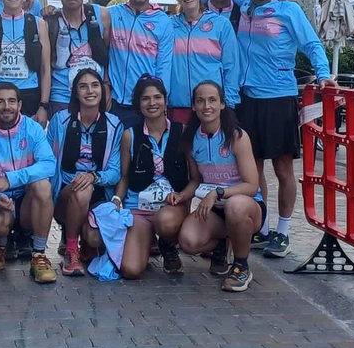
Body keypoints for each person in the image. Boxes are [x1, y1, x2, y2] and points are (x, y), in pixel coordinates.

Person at [236, 0, 333, 259]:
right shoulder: (243, 6)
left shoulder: (288, 9)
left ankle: (284, 230)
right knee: (253, 167)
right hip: (247, 98)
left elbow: (312, 44)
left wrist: (324, 74)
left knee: (282, 168)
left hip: (279, 98)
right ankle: (262, 228)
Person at [175, 81, 262, 292]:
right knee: (187, 242)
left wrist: (219, 192)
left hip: (246, 206)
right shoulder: (190, 139)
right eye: (200, 101)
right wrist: (181, 196)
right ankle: (223, 242)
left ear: (222, 104)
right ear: (193, 106)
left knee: (235, 207)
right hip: (215, 209)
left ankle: (241, 266)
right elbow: (196, 180)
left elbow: (251, 185)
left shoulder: (237, 136)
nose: (207, 106)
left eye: (213, 100)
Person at [0, 82, 58, 283]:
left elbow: (48, 164)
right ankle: (0, 245)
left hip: (27, 205)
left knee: (43, 185)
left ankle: (39, 256)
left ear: (19, 105)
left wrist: (10, 179)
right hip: (1, 206)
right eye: (0, 102)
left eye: (11, 101)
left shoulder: (33, 129)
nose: (6, 106)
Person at [47, 69, 123, 277]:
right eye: (83, 86)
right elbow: (49, 163)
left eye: (95, 85)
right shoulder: (60, 121)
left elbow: (115, 172)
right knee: (82, 190)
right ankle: (71, 249)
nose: (90, 91)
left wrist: (93, 177)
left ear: (102, 90)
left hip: (99, 193)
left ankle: (86, 241)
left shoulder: (114, 125)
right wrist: (77, 183)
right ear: (75, 92)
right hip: (66, 192)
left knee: (95, 239)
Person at [113, 75, 188, 279]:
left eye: (157, 97)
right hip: (138, 206)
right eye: (146, 98)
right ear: (138, 103)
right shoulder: (130, 135)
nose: (152, 103)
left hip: (172, 206)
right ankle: (145, 243)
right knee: (130, 270)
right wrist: (117, 200)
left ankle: (167, 244)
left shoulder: (182, 132)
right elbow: (125, 176)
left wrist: (183, 197)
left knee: (165, 221)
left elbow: (195, 177)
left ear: (165, 101)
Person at [170, 0, 240, 124]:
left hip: (210, 107)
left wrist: (229, 103)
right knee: (182, 148)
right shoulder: (168, 26)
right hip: (177, 106)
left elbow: (232, 67)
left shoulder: (220, 25)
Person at [107, 0, 174, 125]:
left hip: (145, 106)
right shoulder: (111, 14)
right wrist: (52, 11)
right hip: (113, 103)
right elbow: (78, 11)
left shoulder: (163, 21)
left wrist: (160, 103)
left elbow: (163, 66)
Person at [42, 0, 111, 116]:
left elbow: (109, 54)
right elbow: (44, 65)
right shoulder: (49, 22)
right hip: (61, 96)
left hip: (94, 95)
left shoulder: (101, 15)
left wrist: (106, 85)